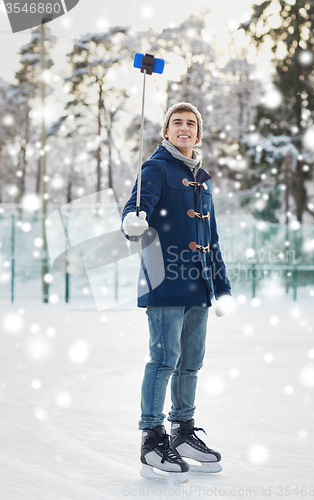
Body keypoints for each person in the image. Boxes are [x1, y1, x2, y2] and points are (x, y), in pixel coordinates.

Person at [121, 102, 231, 482]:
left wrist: (222, 286)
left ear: (198, 134)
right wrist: (132, 221)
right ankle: (152, 437)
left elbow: (210, 237)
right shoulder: (155, 168)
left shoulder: (202, 179)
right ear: (166, 131)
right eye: (176, 123)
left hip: (198, 285)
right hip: (165, 279)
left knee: (191, 362)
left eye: (190, 123)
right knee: (164, 358)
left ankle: (183, 431)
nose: (184, 128)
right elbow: (136, 210)